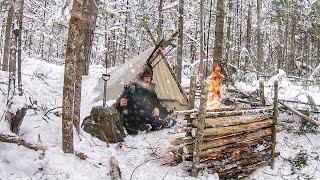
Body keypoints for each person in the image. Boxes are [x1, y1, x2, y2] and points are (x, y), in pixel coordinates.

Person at [116, 64, 176, 135]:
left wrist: (156, 108)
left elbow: (155, 101)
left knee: (160, 111)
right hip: (134, 114)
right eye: (146, 77)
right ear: (142, 78)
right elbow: (122, 104)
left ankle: (144, 127)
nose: (148, 79)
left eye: (149, 78)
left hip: (146, 112)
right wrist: (121, 103)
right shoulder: (133, 88)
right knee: (144, 114)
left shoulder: (150, 89)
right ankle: (162, 124)